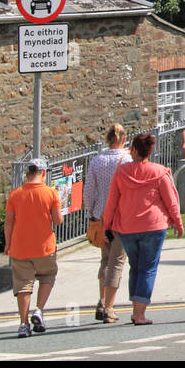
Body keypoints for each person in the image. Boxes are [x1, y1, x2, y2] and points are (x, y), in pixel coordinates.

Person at [101, 133, 183, 326]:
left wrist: (107, 226)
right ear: (150, 151)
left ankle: (135, 310)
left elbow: (112, 201)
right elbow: (171, 201)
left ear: (134, 150)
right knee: (148, 269)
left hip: (127, 227)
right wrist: (177, 222)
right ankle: (139, 313)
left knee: (135, 267)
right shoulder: (160, 172)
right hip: (154, 225)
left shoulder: (122, 172)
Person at [4, 157, 62, 339]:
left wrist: (8, 243)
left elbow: (8, 223)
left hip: (20, 247)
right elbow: (58, 220)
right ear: (43, 173)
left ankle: (23, 324)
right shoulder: (51, 193)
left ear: (27, 174)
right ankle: (39, 310)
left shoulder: (15, 194)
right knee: (47, 276)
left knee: (23, 285)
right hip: (44, 246)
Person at [83, 124, 132, 323]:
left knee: (105, 260)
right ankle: (108, 306)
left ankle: (102, 299)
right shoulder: (127, 160)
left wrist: (92, 212)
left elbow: (88, 192)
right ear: (124, 139)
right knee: (117, 261)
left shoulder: (96, 161)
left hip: (101, 214)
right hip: (120, 215)